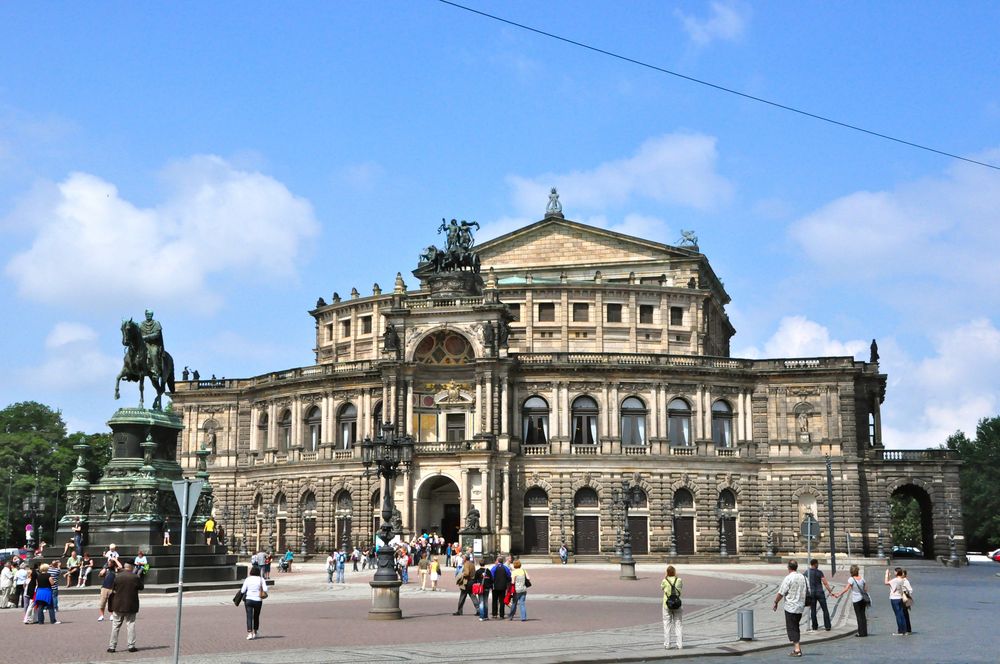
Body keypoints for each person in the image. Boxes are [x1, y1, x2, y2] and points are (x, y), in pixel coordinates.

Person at [107, 562, 143, 653]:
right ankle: (131, 646)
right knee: (130, 625)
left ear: (124, 567)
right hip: (131, 605)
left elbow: (113, 589)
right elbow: (141, 587)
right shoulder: (135, 577)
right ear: (131, 567)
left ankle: (112, 647)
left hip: (118, 605)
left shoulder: (118, 576)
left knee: (115, 626)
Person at [773, 559, 806, 657]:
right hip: (800, 606)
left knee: (792, 628)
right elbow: (808, 589)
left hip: (791, 607)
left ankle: (797, 650)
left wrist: (775, 602)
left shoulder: (788, 578)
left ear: (788, 568)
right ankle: (798, 648)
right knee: (795, 626)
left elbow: (781, 592)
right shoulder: (803, 577)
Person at [832, 564, 869, 637]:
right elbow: (865, 589)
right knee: (863, 616)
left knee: (858, 616)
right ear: (857, 571)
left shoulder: (851, 579)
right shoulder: (862, 579)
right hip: (863, 599)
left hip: (856, 600)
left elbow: (846, 589)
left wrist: (838, 594)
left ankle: (860, 633)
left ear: (851, 572)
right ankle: (865, 632)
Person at [804, 558, 834, 632]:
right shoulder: (819, 572)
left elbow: (803, 580)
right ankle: (827, 626)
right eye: (817, 563)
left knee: (813, 610)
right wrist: (830, 591)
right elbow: (825, 583)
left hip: (812, 593)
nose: (818, 565)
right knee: (825, 609)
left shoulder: (807, 572)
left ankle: (814, 626)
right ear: (815, 564)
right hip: (820, 592)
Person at [240, 564, 268, 640]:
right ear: (258, 572)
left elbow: (242, 590)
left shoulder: (248, 579)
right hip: (258, 600)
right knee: (256, 616)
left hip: (248, 599)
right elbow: (265, 589)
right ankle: (255, 632)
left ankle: (249, 633)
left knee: (249, 616)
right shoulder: (261, 579)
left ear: (251, 572)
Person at [661, 565, 683, 649]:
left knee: (666, 624)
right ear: (675, 572)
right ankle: (680, 644)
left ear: (667, 572)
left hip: (667, 604)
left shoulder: (664, 580)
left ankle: (667, 644)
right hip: (677, 604)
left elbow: (662, 588)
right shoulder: (679, 580)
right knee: (678, 624)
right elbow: (681, 588)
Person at [885, 566, 908, 635]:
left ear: (897, 572)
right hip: (900, 598)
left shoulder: (895, 580)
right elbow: (891, 584)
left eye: (895, 571)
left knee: (897, 615)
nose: (894, 572)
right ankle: (905, 630)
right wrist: (889, 576)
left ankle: (900, 631)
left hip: (894, 598)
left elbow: (886, 583)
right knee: (901, 614)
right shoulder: (901, 579)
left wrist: (886, 575)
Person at [901, 569, 914, 634]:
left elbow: (910, 590)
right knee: (904, 613)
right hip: (901, 598)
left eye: (902, 573)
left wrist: (906, 594)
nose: (901, 574)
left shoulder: (906, 581)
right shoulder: (900, 580)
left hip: (905, 598)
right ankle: (907, 629)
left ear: (905, 574)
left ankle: (907, 629)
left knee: (905, 613)